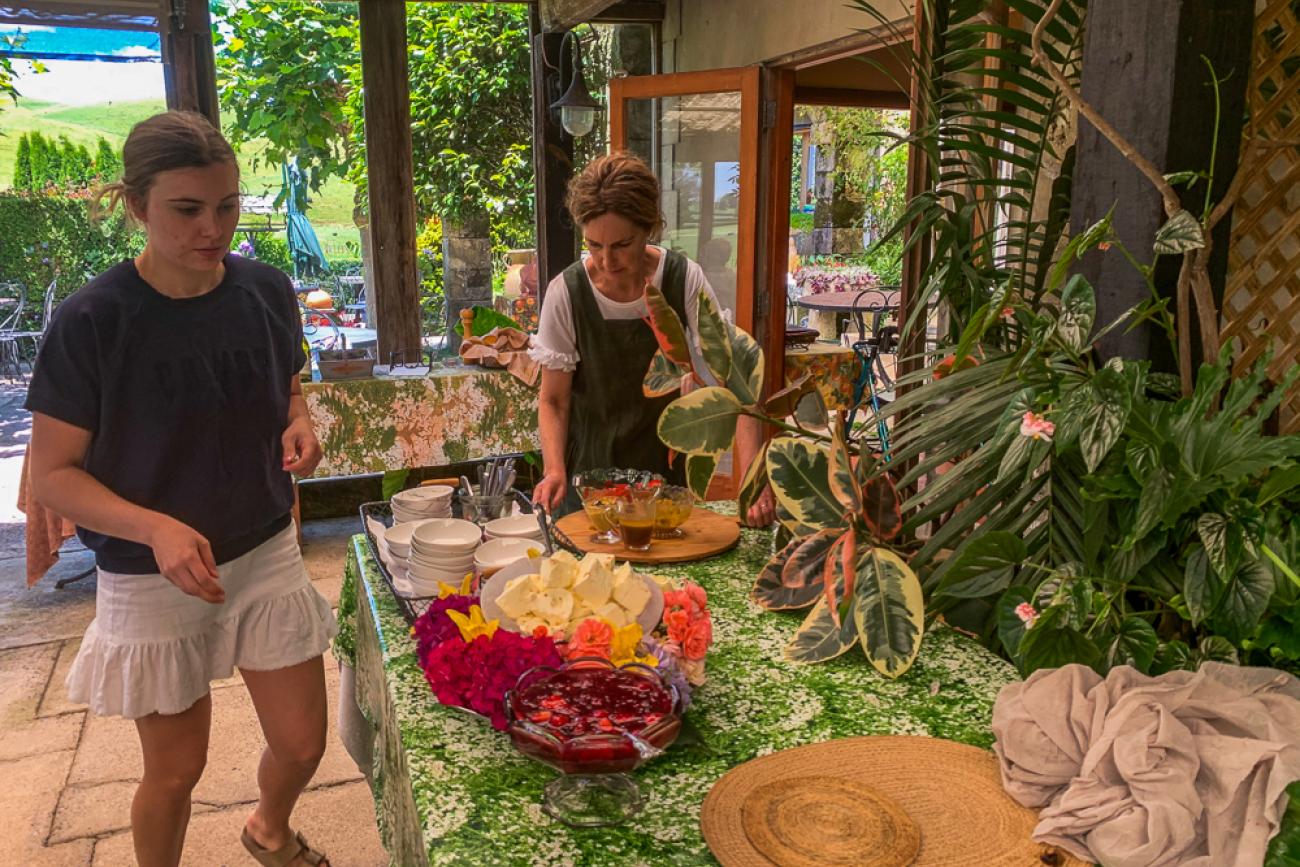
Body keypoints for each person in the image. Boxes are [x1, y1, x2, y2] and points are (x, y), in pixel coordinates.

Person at [25, 112, 336, 867]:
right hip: (148, 570)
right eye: (187, 209)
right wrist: (156, 528)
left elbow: (286, 385)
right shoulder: (93, 320)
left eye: (226, 206)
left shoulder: (266, 289)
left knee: (301, 743)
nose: (212, 228)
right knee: (176, 769)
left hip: (264, 544)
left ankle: (268, 829)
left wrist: (298, 419)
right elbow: (55, 474)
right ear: (137, 206)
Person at [530, 153, 723, 514]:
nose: (607, 260)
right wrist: (554, 469)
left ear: (648, 227)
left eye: (621, 245)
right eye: (593, 245)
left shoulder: (683, 280)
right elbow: (554, 400)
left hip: (664, 485)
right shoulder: (567, 292)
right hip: (585, 488)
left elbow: (732, 374)